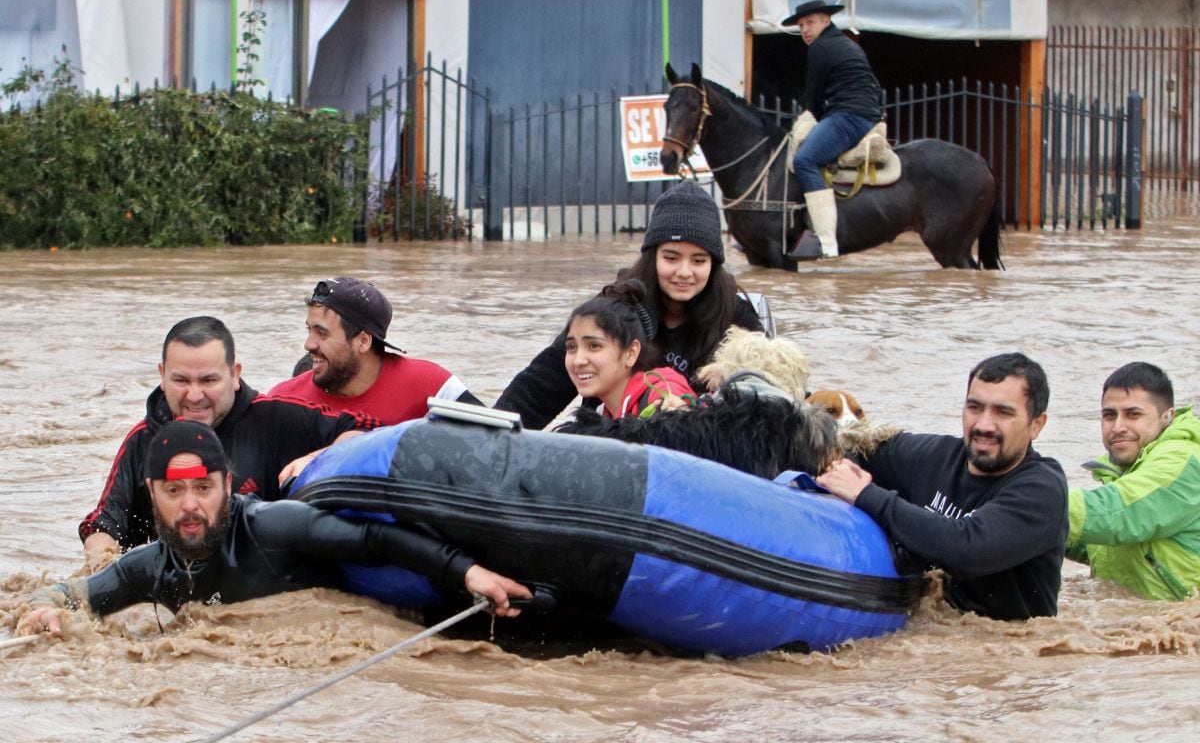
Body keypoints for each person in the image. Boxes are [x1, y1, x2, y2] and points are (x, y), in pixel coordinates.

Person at [22, 421, 530, 635]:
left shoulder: (272, 525)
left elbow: (375, 540)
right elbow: (73, 593)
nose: (191, 506)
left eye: (204, 488)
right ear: (152, 495)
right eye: (174, 493)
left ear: (227, 483)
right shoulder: (148, 568)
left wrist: (467, 573)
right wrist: (44, 609)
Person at [79, 316, 374, 571]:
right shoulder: (142, 441)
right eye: (181, 380)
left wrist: (320, 457)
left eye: (208, 381)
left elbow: (364, 429)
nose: (194, 395)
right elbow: (103, 525)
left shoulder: (276, 419)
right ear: (163, 377)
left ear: (234, 375)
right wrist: (102, 570)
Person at [815, 352, 1068, 621]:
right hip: (923, 626)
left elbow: (967, 550)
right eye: (974, 407)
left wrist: (866, 495)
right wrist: (841, 468)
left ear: (1036, 425)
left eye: (1003, 412)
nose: (983, 425)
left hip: (1006, 643)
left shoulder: (1042, 489)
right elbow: (856, 450)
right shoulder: (934, 455)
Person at [496, 179, 763, 429]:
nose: (684, 272)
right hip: (609, 441)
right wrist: (498, 429)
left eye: (698, 260)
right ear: (653, 257)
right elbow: (544, 382)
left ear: (713, 264)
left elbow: (768, 394)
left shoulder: (737, 319)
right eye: (671, 258)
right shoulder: (615, 306)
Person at [1066, 362, 1200, 600]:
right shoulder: (1127, 470)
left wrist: (1027, 507)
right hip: (1136, 624)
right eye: (1109, 415)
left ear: (1167, 417)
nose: (1118, 427)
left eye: (1133, 414)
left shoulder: (1183, 462)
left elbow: (1117, 513)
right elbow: (1101, 544)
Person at [269, 277, 481, 424]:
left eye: (322, 334)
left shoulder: (432, 385)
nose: (308, 345)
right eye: (309, 330)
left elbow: (498, 443)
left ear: (363, 341)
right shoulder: (283, 401)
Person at [782, 0, 884, 260]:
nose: (805, 29)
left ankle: (826, 241)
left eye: (810, 22)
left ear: (826, 21)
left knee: (805, 159)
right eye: (801, 25)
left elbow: (814, 95)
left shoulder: (821, 48)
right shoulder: (843, 42)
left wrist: (808, 118)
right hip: (857, 113)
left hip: (849, 116)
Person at [564, 279, 694, 419]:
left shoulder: (662, 396)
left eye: (594, 346)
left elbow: (691, 422)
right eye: (571, 347)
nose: (578, 361)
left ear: (631, 353)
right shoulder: (603, 414)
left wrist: (682, 417)